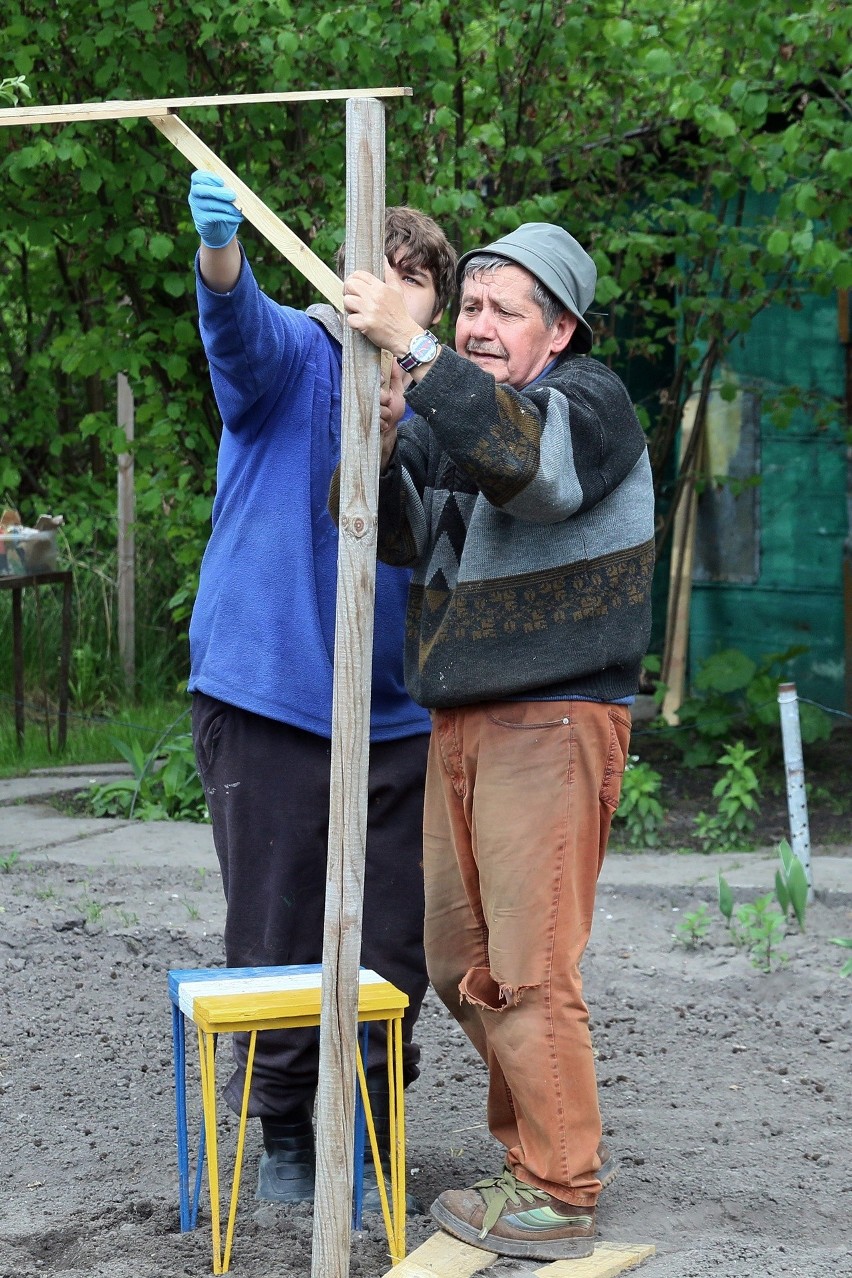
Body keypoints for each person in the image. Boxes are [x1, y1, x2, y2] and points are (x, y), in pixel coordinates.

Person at [339, 223, 655, 1261]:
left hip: (554, 714)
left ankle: (560, 1189)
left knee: (525, 966)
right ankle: (532, 1162)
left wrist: (419, 359)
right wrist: (385, 433)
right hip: (461, 716)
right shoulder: (456, 418)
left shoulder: (593, 404)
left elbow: (538, 470)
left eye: (501, 311)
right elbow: (389, 534)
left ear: (558, 329)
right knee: (456, 960)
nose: (475, 326)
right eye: (467, 308)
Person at [185, 170, 457, 1206]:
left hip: (398, 714)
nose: (397, 303)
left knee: (397, 937)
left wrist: (401, 411)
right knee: (280, 927)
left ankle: (373, 1122)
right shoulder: (297, 356)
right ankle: (288, 1132)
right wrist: (221, 253)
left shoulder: (434, 400)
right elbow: (234, 329)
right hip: (272, 695)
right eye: (385, 280)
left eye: (418, 291)